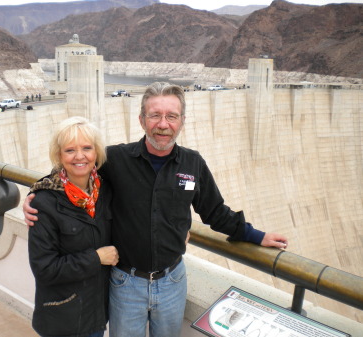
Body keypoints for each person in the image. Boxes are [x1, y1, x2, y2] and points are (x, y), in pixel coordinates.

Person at [24, 82, 288, 337]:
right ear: (142, 120)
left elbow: (215, 212)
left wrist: (256, 236)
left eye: (171, 116)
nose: (163, 124)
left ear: (182, 121)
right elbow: (74, 168)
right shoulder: (116, 159)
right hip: (125, 283)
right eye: (155, 116)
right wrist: (37, 193)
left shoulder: (192, 164)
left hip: (172, 281)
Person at [27, 116, 119, 337]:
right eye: (70, 150)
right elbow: (44, 268)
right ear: (59, 155)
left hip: (95, 315)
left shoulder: (105, 191)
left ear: (96, 153)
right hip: (63, 320)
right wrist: (96, 258)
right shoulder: (44, 202)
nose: (80, 156)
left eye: (87, 148)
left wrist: (177, 228)